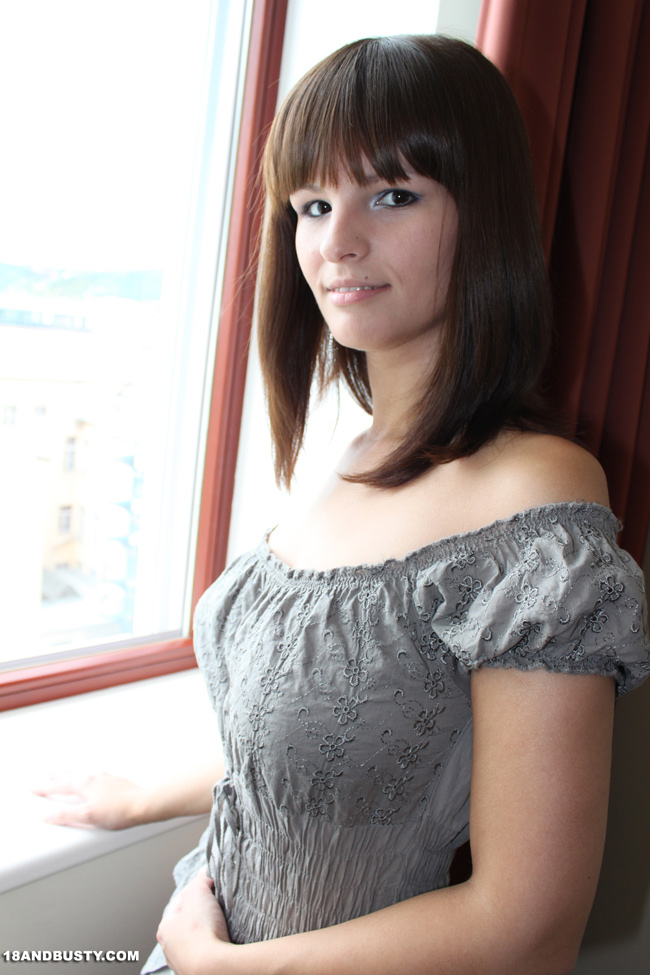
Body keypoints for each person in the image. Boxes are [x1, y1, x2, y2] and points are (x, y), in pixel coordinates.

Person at [35, 35, 650, 975]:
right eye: (313, 204)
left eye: (393, 195)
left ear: (484, 214)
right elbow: (337, 748)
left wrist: (223, 966)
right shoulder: (345, 459)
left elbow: (530, 930)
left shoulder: (533, 497)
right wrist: (140, 797)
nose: (335, 242)